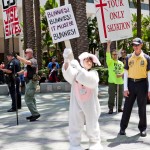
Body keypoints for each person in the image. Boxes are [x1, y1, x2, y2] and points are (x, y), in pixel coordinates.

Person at [62, 48, 103, 150]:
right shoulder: (75, 72)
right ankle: (74, 144)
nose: (89, 62)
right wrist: (67, 60)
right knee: (75, 122)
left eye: (90, 61)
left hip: (90, 103)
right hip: (77, 102)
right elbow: (68, 73)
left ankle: (94, 142)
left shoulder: (94, 73)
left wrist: (79, 69)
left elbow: (91, 81)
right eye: (86, 60)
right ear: (82, 62)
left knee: (92, 123)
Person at [119, 37, 150, 137]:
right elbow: (126, 74)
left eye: (137, 45)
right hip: (131, 84)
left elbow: (149, 75)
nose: (135, 47)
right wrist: (125, 88)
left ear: (141, 45)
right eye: (134, 45)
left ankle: (142, 128)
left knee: (142, 108)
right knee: (127, 108)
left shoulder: (147, 58)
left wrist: (149, 89)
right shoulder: (128, 57)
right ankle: (122, 128)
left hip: (142, 84)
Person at [16, 48, 40, 122]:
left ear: (30, 53)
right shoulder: (29, 62)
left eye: (26, 52)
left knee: (28, 98)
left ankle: (35, 113)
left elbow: (27, 62)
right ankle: (34, 113)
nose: (25, 53)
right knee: (31, 98)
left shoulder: (33, 60)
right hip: (29, 82)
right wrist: (18, 73)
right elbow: (25, 70)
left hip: (31, 82)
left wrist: (17, 57)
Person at [106, 41, 124, 114]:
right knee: (111, 96)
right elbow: (107, 53)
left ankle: (119, 107)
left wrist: (121, 75)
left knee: (120, 96)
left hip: (120, 82)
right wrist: (108, 45)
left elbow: (124, 71)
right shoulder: (110, 62)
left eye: (116, 54)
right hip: (112, 82)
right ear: (112, 55)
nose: (115, 55)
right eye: (113, 54)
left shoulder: (121, 63)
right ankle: (111, 108)